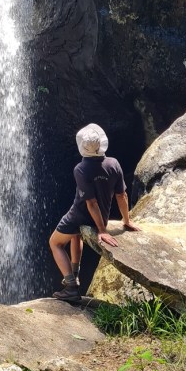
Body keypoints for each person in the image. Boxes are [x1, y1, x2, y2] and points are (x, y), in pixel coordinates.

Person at [49, 123, 139, 303]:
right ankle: (75, 275)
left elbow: (90, 202)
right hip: (101, 215)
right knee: (76, 236)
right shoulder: (113, 164)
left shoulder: (81, 169)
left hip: (80, 214)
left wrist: (101, 230)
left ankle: (71, 287)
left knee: (55, 243)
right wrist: (126, 220)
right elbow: (122, 195)